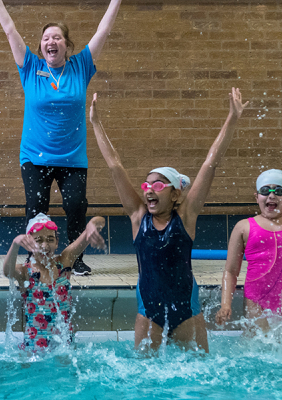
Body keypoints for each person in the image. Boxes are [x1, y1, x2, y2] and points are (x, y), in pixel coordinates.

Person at [90, 89, 248, 353]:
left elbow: (211, 162)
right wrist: (96, 124)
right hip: (148, 310)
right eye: (146, 185)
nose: (149, 190)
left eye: (158, 185)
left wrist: (232, 118)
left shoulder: (185, 217)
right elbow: (114, 165)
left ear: (176, 194)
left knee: (197, 372)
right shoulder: (138, 217)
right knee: (145, 377)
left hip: (186, 310)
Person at [0, 0, 122, 276]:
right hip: (35, 156)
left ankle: (75, 260)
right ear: (41, 46)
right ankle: (34, 259)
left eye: (57, 37)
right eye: (46, 38)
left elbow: (104, 30)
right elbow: (10, 30)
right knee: (37, 208)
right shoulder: (30, 67)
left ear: (66, 44)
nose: (51, 41)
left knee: (76, 207)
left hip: (73, 157)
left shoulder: (81, 66)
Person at [215, 170, 282, 331]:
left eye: (278, 191)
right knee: (256, 350)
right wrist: (225, 304)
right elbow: (231, 271)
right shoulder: (243, 227)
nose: (271, 196)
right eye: (265, 191)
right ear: (257, 197)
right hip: (256, 301)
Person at [3, 213, 106, 351]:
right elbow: (7, 271)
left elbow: (98, 222)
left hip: (64, 348)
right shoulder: (25, 273)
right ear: (28, 243)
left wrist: (92, 224)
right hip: (34, 350)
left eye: (50, 239)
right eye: (38, 240)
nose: (45, 245)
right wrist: (15, 243)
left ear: (56, 242)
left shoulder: (65, 261)